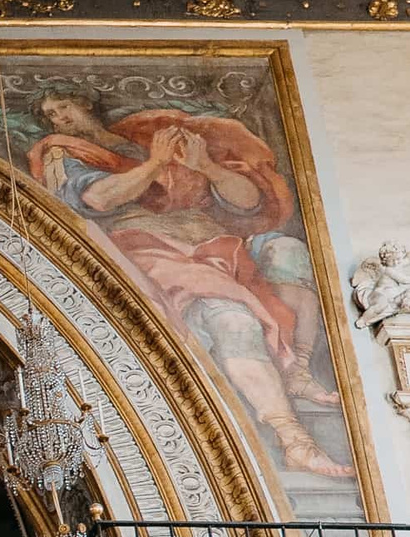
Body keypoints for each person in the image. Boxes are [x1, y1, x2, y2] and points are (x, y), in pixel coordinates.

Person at [27, 89, 351, 480]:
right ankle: (294, 439)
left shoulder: (146, 137)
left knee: (288, 251)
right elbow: (99, 198)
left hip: (218, 244)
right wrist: (155, 163)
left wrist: (208, 167)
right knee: (232, 318)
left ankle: (297, 368)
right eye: (50, 115)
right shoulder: (66, 151)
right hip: (149, 248)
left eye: (63, 106)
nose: (59, 118)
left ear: (85, 103)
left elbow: (247, 202)